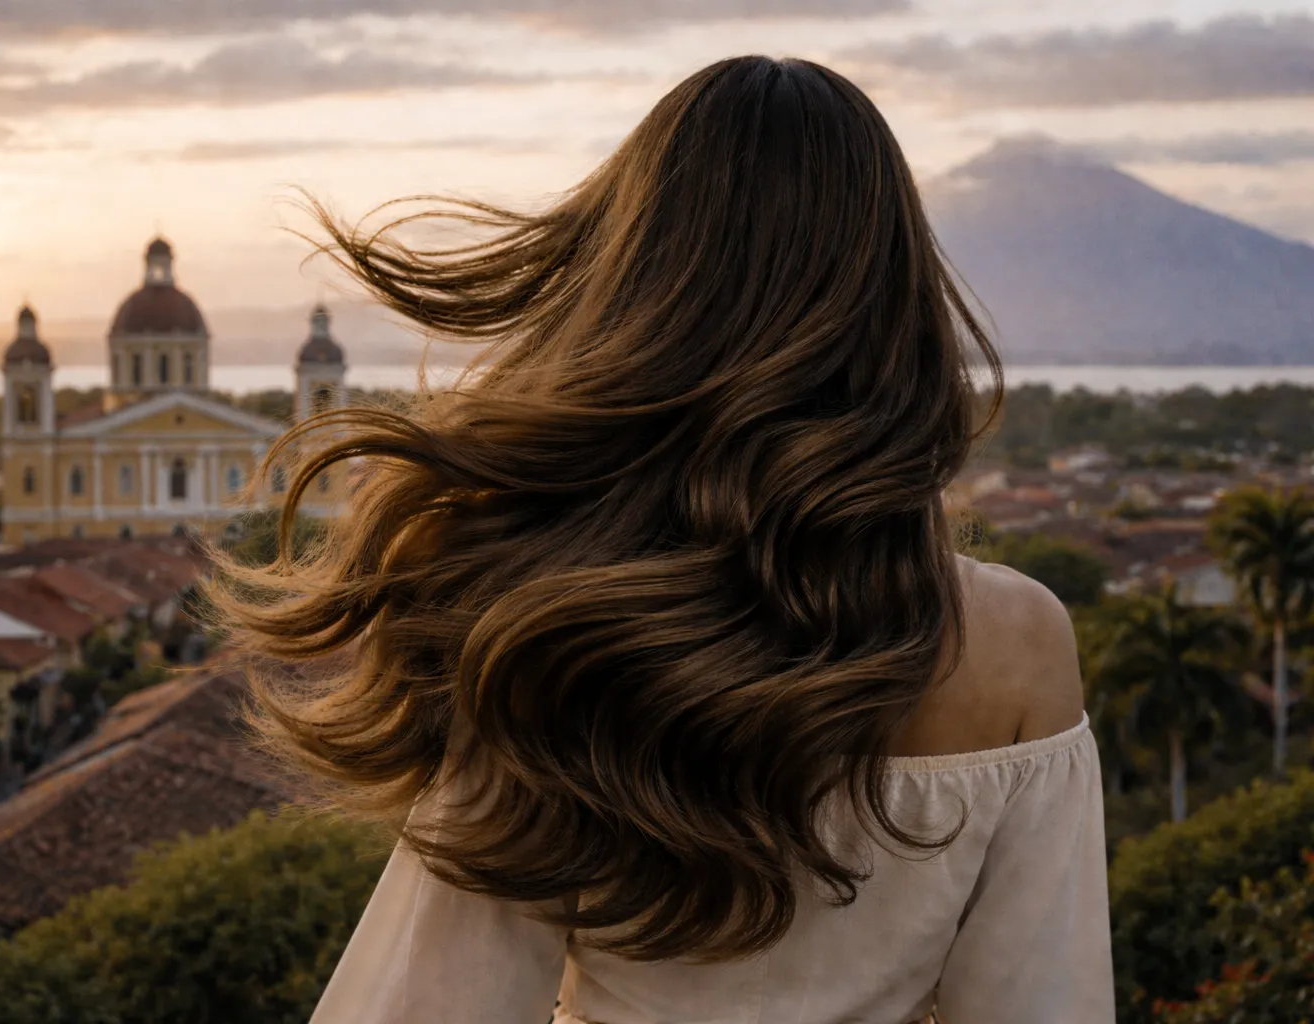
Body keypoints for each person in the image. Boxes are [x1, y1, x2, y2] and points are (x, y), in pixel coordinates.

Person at [215, 55, 1113, 1024]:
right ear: (894, 296)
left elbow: (436, 1000)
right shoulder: (1018, 641)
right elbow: (1045, 1000)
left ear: (638, 283)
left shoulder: (559, 626)